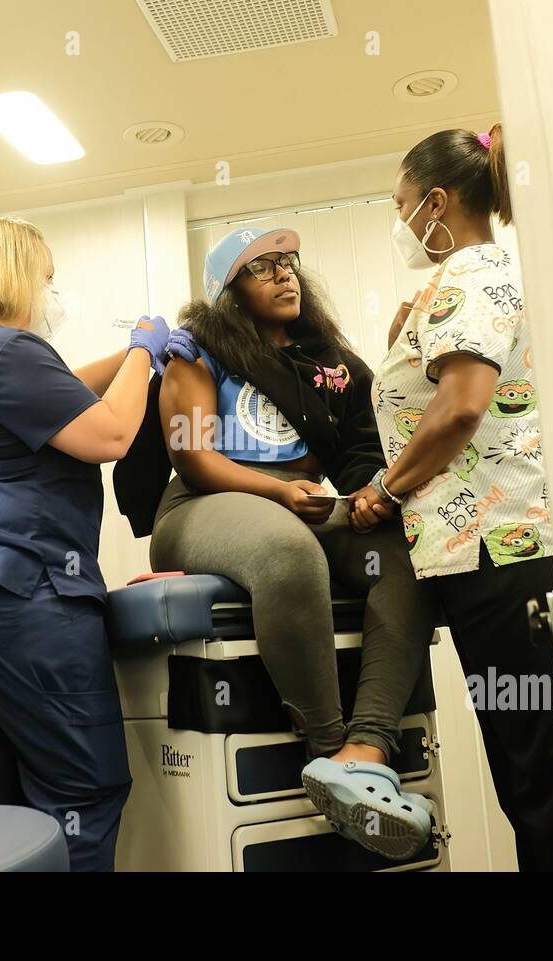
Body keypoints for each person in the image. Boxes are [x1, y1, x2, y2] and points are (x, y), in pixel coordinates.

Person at [150, 226, 438, 860]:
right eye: (263, 268)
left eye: (289, 264)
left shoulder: (327, 361)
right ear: (228, 291)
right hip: (204, 504)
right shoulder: (197, 350)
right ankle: (329, 752)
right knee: (286, 552)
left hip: (301, 503)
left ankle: (369, 749)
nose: (285, 276)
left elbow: (365, 443)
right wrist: (278, 494)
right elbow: (193, 457)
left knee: (411, 557)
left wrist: (371, 498)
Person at [356, 124, 553, 871]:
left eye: (401, 207)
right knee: (530, 769)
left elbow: (461, 407)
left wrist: (386, 490)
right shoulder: (460, 282)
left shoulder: (472, 274)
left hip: (503, 556)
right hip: (483, 558)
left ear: (435, 202)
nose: (399, 224)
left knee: (542, 778)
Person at [0, 214, 170, 872]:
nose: (51, 293)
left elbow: (64, 395)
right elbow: (110, 434)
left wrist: (132, 355)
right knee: (82, 790)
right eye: (46, 278)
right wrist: (144, 350)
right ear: (15, 273)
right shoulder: (10, 349)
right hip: (25, 595)